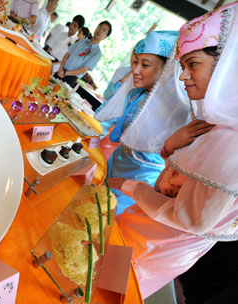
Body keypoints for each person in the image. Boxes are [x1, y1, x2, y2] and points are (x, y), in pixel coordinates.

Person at [108, 2, 238, 298]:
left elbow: (192, 218)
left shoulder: (231, 142)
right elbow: (182, 178)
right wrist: (170, 147)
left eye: (193, 64)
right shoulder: (215, 122)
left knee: (100, 289)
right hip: (144, 228)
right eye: (182, 66)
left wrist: (135, 188)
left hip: (155, 248)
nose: (182, 77)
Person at [95, 30, 187, 214]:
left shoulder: (177, 111)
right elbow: (111, 119)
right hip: (116, 161)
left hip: (140, 176)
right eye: (135, 62)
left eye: (145, 65)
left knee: (105, 216)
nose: (135, 70)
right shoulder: (136, 94)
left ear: (165, 68)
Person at [54, 21, 112, 87]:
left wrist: (65, 73)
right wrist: (61, 68)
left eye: (104, 30)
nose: (100, 30)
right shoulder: (82, 41)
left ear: (105, 37)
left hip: (70, 78)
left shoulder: (97, 53)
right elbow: (67, 53)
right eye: (100, 27)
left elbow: (84, 69)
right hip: (60, 70)